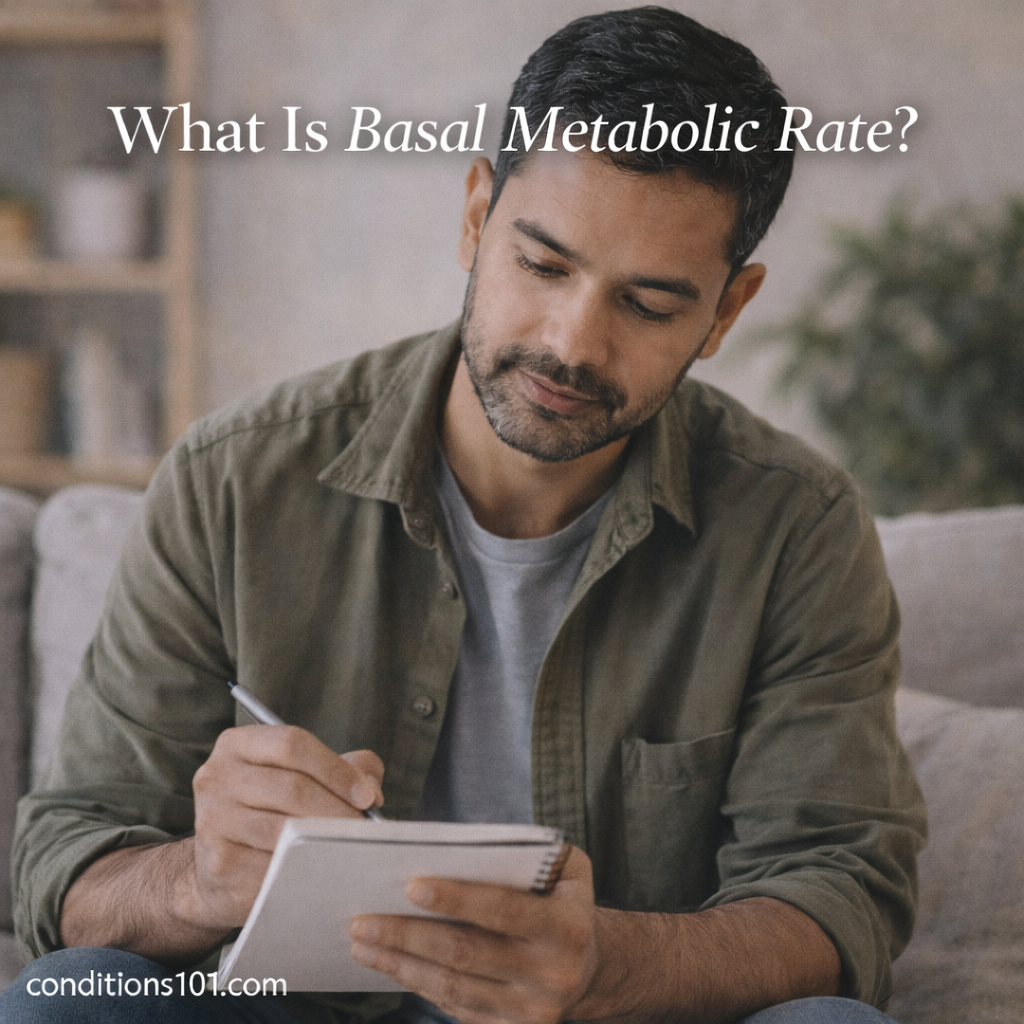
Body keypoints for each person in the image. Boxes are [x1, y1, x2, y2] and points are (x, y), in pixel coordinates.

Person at [2, 8, 925, 1024]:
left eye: (648, 305)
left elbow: (838, 896)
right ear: (477, 215)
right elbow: (66, 870)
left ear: (726, 311)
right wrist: (199, 882)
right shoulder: (232, 481)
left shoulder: (796, 527)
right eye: (543, 265)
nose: (571, 344)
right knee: (70, 999)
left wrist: (603, 966)